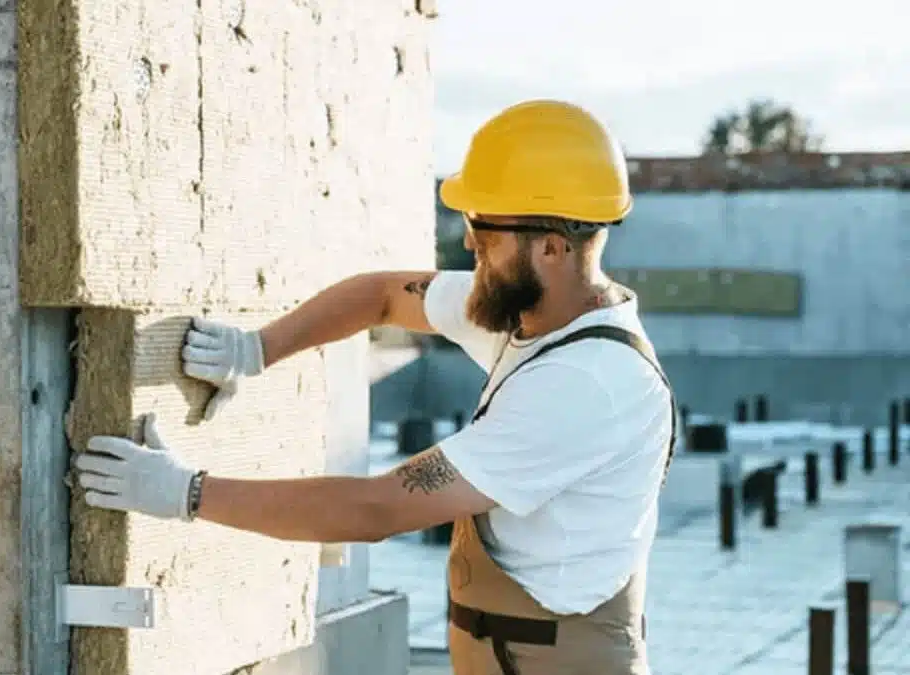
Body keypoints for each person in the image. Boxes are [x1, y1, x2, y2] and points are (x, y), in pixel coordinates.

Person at [73, 99, 675, 675]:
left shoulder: (586, 385)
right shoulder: (533, 313)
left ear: (550, 247)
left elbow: (378, 507)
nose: (468, 243)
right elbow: (384, 294)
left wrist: (188, 493)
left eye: (484, 230)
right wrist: (254, 350)